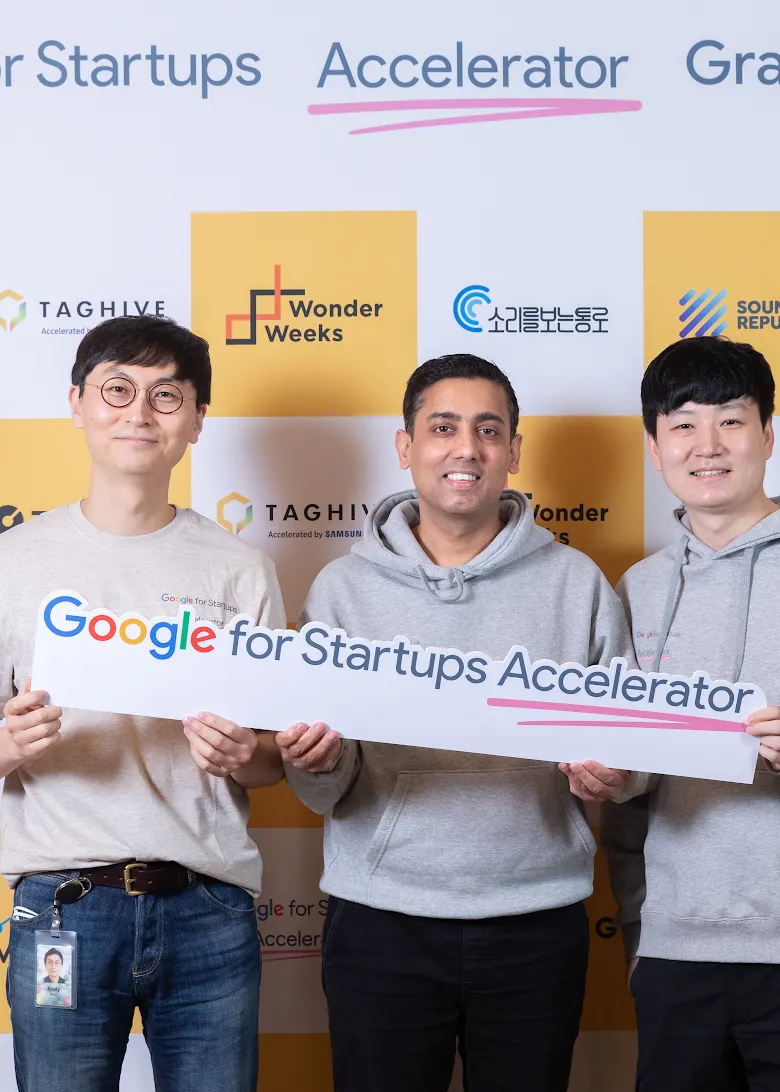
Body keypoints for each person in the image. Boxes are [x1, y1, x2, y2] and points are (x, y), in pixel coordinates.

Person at [277, 353, 636, 1092]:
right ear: (405, 446)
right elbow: (320, 788)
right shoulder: (342, 591)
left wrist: (616, 774)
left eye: (488, 430)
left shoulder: (577, 584)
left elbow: (628, 750)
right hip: (382, 920)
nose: (466, 448)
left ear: (514, 450)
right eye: (443, 428)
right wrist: (315, 760)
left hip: (537, 919)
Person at [0, 315, 286, 1092]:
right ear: (77, 404)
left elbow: (271, 763)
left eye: (166, 396)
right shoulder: (13, 564)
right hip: (62, 908)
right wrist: (10, 745)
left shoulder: (240, 571)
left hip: (208, 910)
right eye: (117, 390)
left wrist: (245, 754)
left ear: (197, 419)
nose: (139, 413)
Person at [601, 335, 780, 1092]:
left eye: (731, 420)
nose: (707, 445)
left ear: (767, 432)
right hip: (676, 954)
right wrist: (639, 933)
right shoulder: (638, 589)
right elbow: (627, 796)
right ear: (655, 447)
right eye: (683, 424)